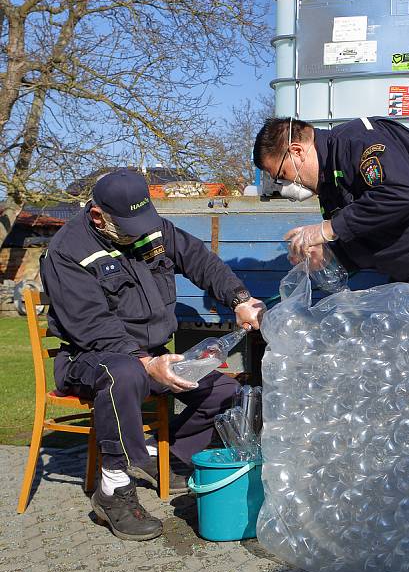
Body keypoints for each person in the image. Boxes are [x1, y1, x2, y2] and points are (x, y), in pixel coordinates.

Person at [41, 169, 265, 541]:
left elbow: (201, 262)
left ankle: (166, 458)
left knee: (221, 390)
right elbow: (91, 326)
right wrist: (147, 364)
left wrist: (240, 300)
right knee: (124, 373)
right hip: (91, 356)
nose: (142, 232)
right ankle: (113, 490)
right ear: (99, 216)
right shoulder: (67, 252)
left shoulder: (150, 228)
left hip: (150, 352)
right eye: (130, 225)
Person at [253, 116, 409, 288]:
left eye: (283, 175)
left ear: (296, 150)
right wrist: (330, 254)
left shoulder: (356, 141)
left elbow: (402, 194)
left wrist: (327, 229)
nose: (288, 186)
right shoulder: (330, 186)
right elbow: (367, 230)